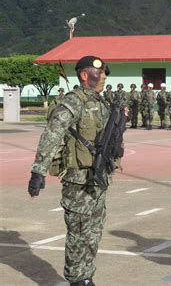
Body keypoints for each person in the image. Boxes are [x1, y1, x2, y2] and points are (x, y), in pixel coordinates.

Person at [28, 56, 125, 286]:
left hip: (99, 178)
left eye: (104, 75)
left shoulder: (102, 103)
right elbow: (52, 133)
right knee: (78, 233)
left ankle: (86, 275)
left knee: (93, 232)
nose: (103, 77)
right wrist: (38, 171)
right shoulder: (74, 102)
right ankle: (76, 279)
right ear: (84, 75)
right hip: (78, 181)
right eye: (99, 73)